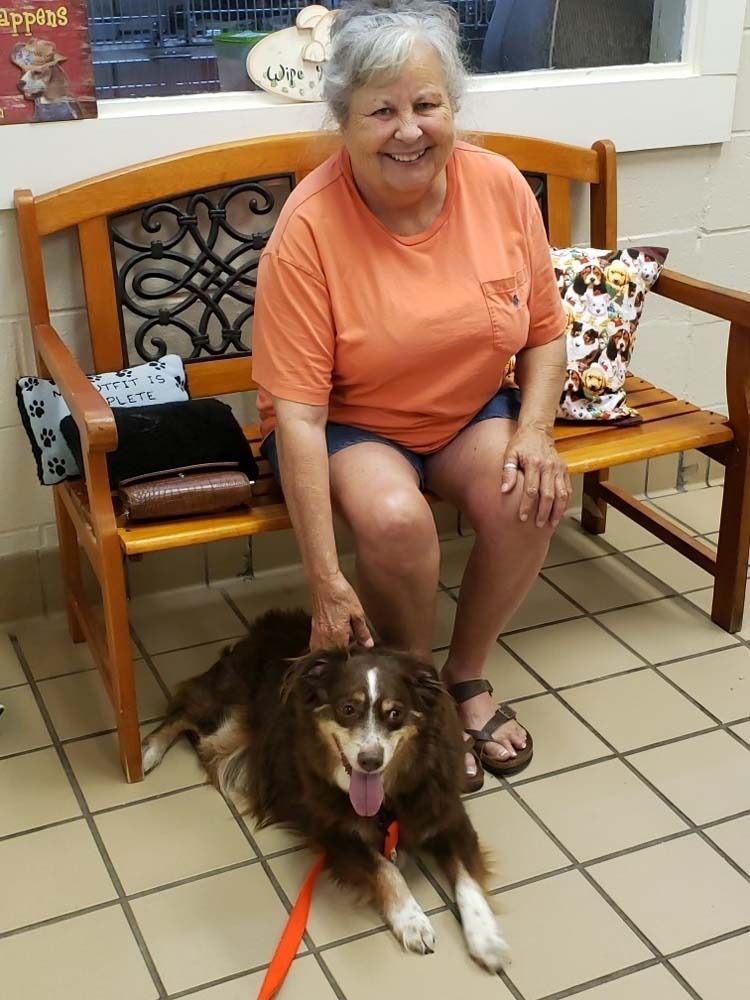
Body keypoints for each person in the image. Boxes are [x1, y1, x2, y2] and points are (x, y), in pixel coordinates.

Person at [252, 0, 570, 791]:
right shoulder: (309, 228)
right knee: (398, 522)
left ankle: (464, 678)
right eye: (382, 110)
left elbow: (545, 332)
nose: (409, 129)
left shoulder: (498, 188)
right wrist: (325, 580)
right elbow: (298, 414)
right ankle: (410, 695)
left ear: (451, 108)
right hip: (350, 426)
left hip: (466, 410)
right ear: (344, 121)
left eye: (427, 105)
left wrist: (535, 431)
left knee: (528, 493)